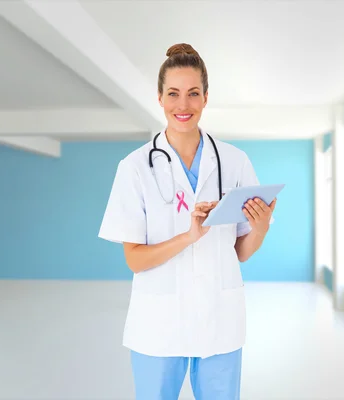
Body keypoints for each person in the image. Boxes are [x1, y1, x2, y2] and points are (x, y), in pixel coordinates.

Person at [98, 43, 276, 399]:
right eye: (174, 94)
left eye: (193, 94)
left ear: (206, 98)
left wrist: (261, 226)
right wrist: (189, 236)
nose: (183, 105)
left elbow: (241, 252)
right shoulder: (135, 167)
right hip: (159, 323)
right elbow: (135, 258)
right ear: (160, 98)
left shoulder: (234, 161)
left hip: (219, 320)